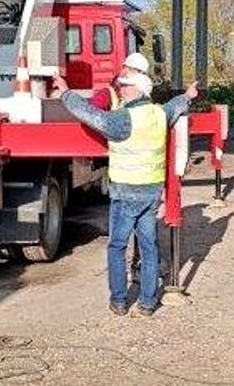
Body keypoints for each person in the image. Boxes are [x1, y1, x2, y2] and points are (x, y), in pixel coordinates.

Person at [53, 69, 198, 316]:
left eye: (125, 86)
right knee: (149, 247)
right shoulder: (159, 114)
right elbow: (176, 105)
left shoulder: (122, 119)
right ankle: (148, 303)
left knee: (117, 246)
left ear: (138, 90)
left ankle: (119, 301)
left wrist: (66, 93)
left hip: (125, 193)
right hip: (151, 192)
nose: (121, 89)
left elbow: (89, 114)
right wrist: (188, 95)